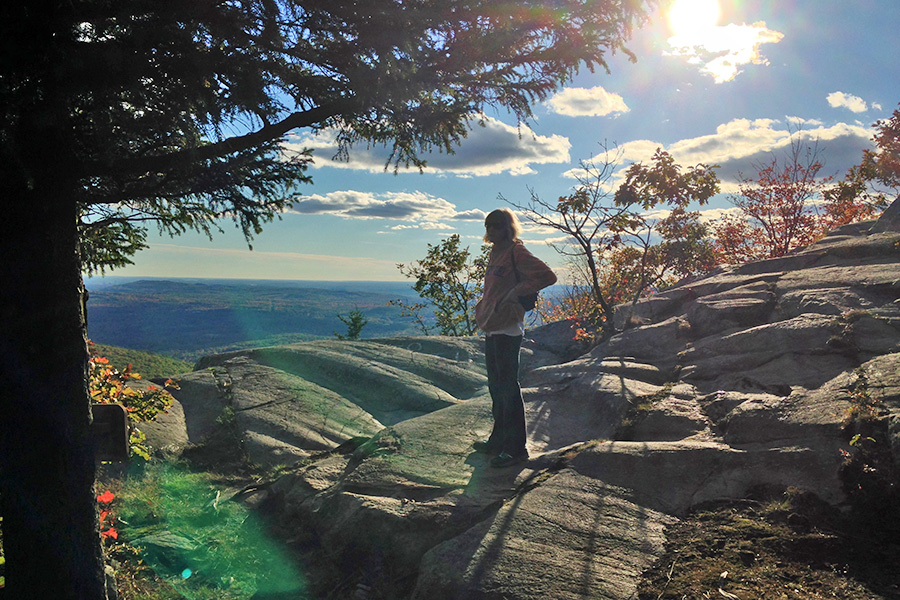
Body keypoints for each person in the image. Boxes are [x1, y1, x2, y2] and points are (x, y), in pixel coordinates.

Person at [474, 208, 557, 468]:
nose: (492, 230)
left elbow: (547, 275)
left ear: (507, 227)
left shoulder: (515, 251)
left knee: (507, 387)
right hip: (492, 324)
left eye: (497, 225)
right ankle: (498, 440)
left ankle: (516, 448)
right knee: (495, 387)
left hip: (508, 328)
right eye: (489, 226)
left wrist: (515, 293)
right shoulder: (495, 252)